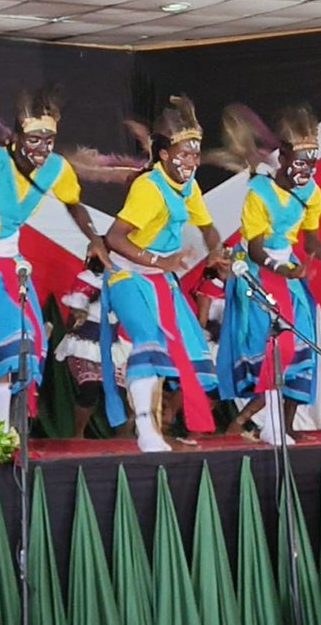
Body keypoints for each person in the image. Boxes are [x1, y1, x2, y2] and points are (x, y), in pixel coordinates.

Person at [0, 88, 108, 428]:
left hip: (10, 258)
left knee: (31, 340)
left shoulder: (56, 169)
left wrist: (94, 239)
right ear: (16, 137)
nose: (42, 149)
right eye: (34, 139)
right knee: (7, 340)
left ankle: (11, 428)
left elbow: (74, 203)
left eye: (49, 140)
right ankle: (3, 432)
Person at [214, 104, 321, 444]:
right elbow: (254, 249)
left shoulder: (312, 193)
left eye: (313, 161)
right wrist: (286, 269)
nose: (308, 168)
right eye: (301, 161)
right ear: (283, 158)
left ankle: (286, 425)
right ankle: (245, 419)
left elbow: (312, 244)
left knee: (304, 347)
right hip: (257, 273)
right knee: (275, 349)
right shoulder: (259, 192)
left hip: (288, 275)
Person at [101, 95, 229, 453]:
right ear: (164, 155)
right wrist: (161, 262)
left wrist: (215, 250)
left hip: (160, 280)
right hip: (128, 277)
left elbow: (207, 227)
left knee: (186, 353)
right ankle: (145, 432)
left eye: (195, 154)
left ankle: (159, 427)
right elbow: (113, 238)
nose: (191, 161)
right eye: (184, 154)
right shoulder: (149, 189)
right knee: (148, 343)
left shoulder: (189, 187)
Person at [52, 265, 130, 438]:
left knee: (122, 393)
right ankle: (78, 434)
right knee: (90, 388)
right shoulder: (87, 278)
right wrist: (84, 307)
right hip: (84, 345)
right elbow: (75, 314)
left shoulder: (125, 279)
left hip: (111, 347)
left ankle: (124, 440)